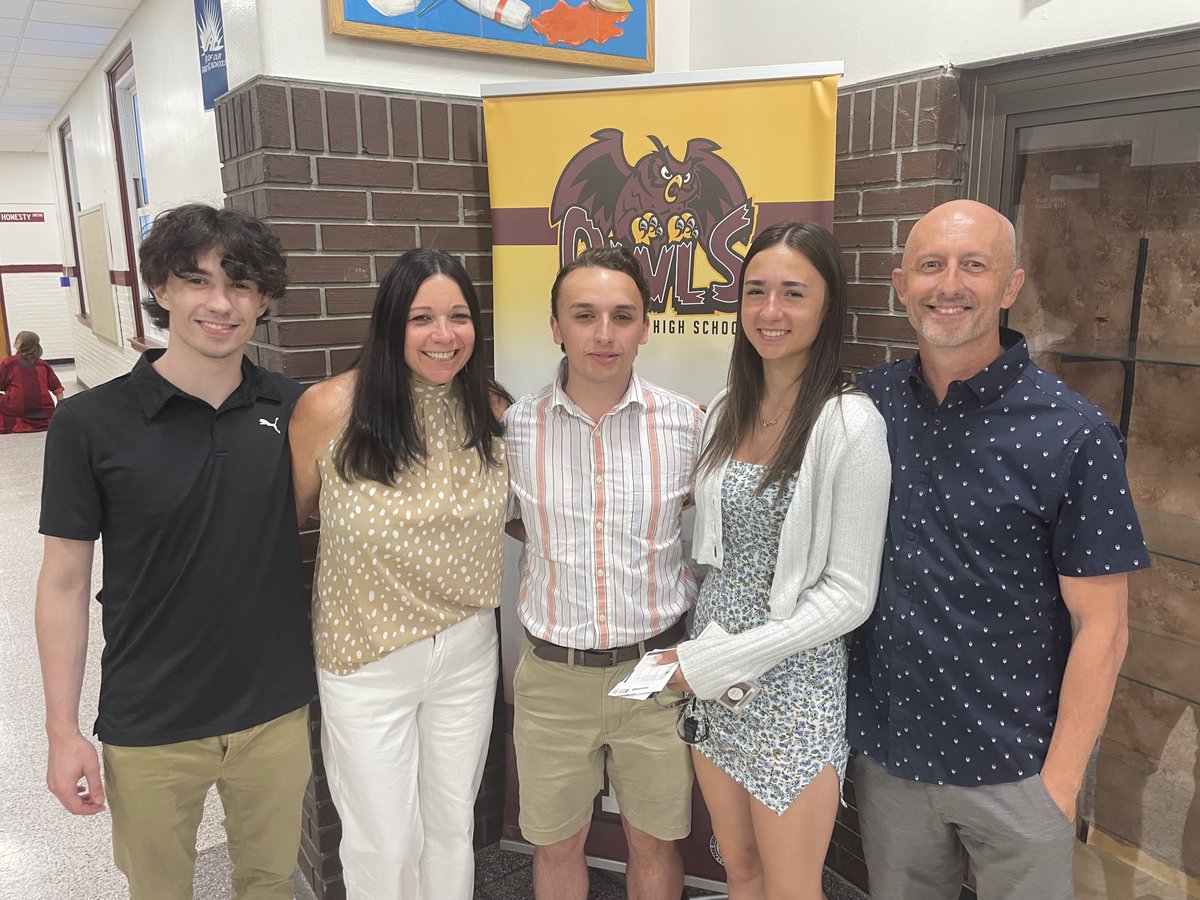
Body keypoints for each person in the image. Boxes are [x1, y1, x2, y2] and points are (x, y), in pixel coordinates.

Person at [847, 199, 1150, 900]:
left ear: (1011, 286)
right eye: (931, 265)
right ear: (902, 284)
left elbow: (1104, 627)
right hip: (895, 764)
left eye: (973, 266)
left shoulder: (1073, 434)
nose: (948, 285)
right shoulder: (868, 406)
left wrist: (1060, 785)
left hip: (1018, 772)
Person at [35, 204, 315, 900]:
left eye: (241, 284)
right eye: (197, 281)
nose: (220, 304)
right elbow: (65, 585)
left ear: (264, 300)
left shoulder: (298, 410)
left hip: (274, 712)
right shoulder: (88, 424)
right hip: (151, 719)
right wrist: (62, 730)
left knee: (271, 882)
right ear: (161, 288)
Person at [657, 222, 890, 900]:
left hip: (793, 681)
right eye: (755, 292)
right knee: (739, 868)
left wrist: (718, 660)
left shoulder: (852, 424)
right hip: (713, 668)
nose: (770, 311)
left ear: (827, 306)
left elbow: (850, 594)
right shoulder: (727, 408)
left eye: (793, 293)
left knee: (791, 887)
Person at [289, 248, 509, 900]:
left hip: (468, 653)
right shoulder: (330, 409)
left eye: (458, 317)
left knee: (449, 829)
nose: (444, 335)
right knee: (382, 845)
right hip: (365, 659)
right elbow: (281, 525)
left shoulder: (490, 410)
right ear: (390, 323)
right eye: (422, 318)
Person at [504, 245, 703, 900]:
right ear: (556, 326)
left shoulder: (688, 425)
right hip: (553, 676)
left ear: (646, 325)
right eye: (584, 315)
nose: (605, 334)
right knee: (557, 842)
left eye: (623, 316)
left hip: (652, 672)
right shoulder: (516, 428)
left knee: (654, 840)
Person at [0, 330, 64, 433]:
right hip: (44, 410)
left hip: (16, 407)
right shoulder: (43, 364)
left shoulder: (9, 363)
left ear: (18, 343)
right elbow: (58, 389)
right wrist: (60, 409)